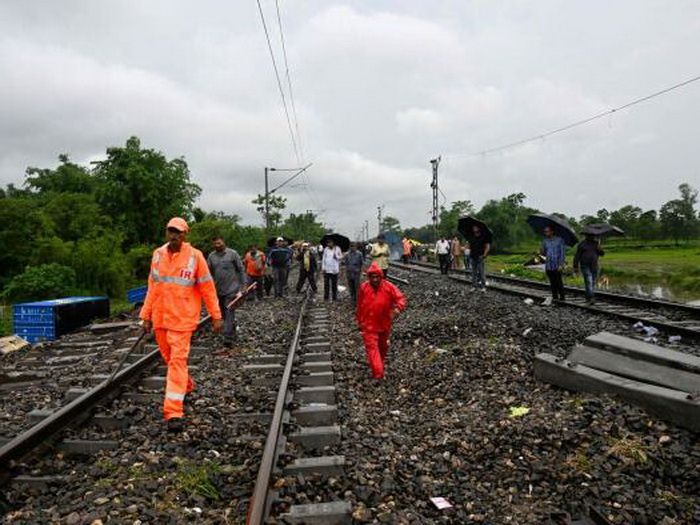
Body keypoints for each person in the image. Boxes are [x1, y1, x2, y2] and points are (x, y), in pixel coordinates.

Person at [140, 218, 223, 432]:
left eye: (178, 232)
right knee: (169, 359)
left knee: (177, 362)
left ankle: (173, 411)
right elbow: (152, 286)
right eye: (171, 231)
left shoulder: (196, 257)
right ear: (167, 233)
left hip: (183, 320)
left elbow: (207, 288)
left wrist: (216, 315)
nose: (174, 235)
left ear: (185, 234)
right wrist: (145, 315)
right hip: (160, 318)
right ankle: (186, 385)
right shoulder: (157, 255)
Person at [356, 262, 406, 379]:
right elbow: (359, 305)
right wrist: (359, 321)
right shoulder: (364, 287)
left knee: (383, 347)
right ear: (369, 277)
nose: (374, 279)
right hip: (368, 324)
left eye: (377, 276)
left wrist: (398, 308)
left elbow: (400, 298)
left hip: (384, 323)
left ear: (381, 276)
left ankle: (379, 365)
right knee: (372, 348)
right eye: (372, 277)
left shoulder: (389, 287)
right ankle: (378, 373)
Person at [207, 236, 245, 347]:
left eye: (219, 243)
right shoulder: (211, 256)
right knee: (223, 314)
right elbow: (207, 274)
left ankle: (228, 337)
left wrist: (243, 285)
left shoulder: (233, 254)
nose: (217, 245)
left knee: (229, 312)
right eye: (215, 244)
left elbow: (241, 270)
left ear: (224, 242)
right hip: (219, 290)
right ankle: (232, 332)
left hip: (232, 289)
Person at [573, 233, 605, 304]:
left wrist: (599, 248)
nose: (592, 237)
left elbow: (602, 254)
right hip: (585, 265)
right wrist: (575, 266)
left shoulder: (596, 244)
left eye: (593, 235)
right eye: (590, 235)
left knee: (592, 282)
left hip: (594, 265)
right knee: (589, 280)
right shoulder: (582, 244)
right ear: (586, 236)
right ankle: (591, 297)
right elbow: (577, 256)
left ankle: (588, 297)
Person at [540, 225, 567, 301]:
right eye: (545, 231)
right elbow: (544, 253)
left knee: (558, 281)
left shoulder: (560, 240)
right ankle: (555, 296)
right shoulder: (545, 241)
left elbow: (562, 253)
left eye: (547, 231)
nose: (545, 233)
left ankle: (562, 297)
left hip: (557, 264)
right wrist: (541, 251)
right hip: (549, 264)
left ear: (552, 231)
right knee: (552, 282)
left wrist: (561, 264)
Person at [469, 226, 491, 291]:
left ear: (479, 228)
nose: (474, 229)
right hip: (473, 257)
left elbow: (487, 246)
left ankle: (483, 287)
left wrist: (484, 255)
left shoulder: (483, 237)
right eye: (473, 228)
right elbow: (469, 246)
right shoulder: (471, 237)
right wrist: (464, 248)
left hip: (480, 257)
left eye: (475, 227)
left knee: (481, 272)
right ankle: (474, 286)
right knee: (474, 273)